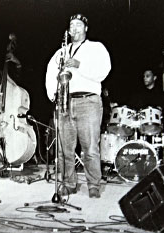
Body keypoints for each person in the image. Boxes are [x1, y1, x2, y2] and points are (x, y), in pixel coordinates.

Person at [45, 14, 111, 198]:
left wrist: (78, 65)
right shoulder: (61, 52)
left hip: (88, 101)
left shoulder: (96, 48)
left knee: (90, 147)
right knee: (65, 148)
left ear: (86, 28)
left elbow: (103, 71)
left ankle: (93, 186)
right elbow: (50, 72)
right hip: (65, 100)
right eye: (71, 25)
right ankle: (69, 183)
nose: (74, 28)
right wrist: (53, 94)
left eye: (78, 25)